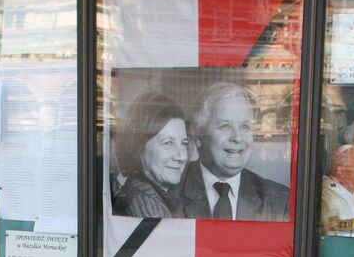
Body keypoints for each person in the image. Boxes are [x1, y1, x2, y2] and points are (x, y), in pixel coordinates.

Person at [180, 82, 290, 222]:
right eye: (225, 126)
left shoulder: (280, 200)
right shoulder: (171, 191)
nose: (237, 138)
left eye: (245, 126)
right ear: (198, 135)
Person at [112, 92, 189, 218]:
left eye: (184, 143)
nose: (181, 157)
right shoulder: (146, 204)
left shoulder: (155, 194)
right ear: (139, 146)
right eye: (168, 143)